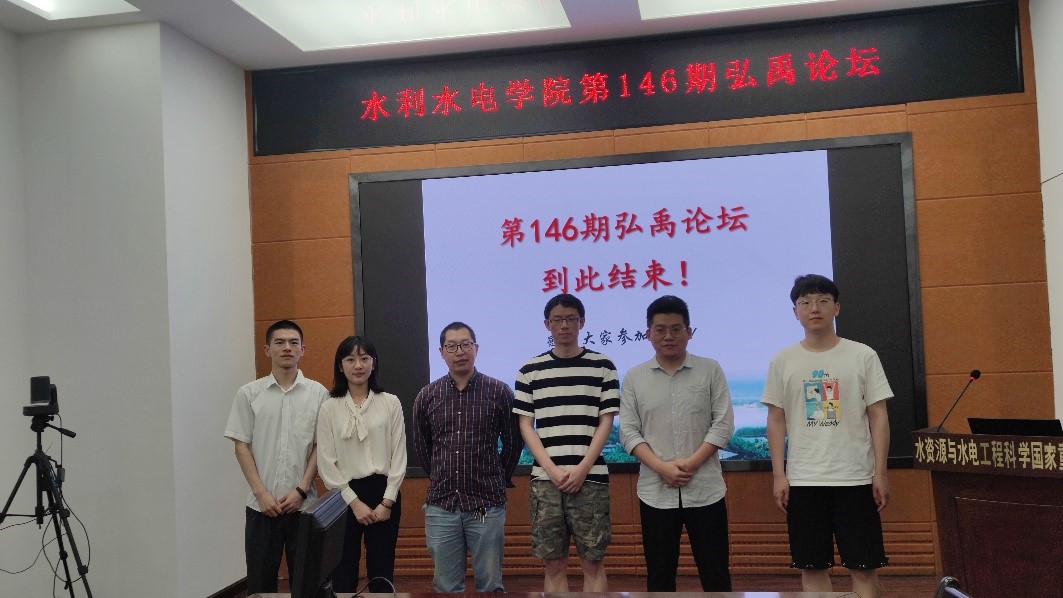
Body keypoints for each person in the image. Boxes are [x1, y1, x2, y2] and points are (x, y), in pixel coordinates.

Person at [762, 274, 892, 598]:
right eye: (805, 302)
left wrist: (880, 472)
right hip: (804, 480)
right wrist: (779, 475)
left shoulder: (862, 355)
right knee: (812, 568)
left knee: (864, 568)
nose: (814, 308)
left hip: (855, 478)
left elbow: (878, 416)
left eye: (822, 300)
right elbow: (776, 419)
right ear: (795, 312)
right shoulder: (782, 361)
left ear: (837, 307)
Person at [619, 295, 735, 592]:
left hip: (705, 489)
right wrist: (662, 468)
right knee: (659, 576)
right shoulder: (634, 377)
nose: (668, 336)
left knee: (716, 574)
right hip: (655, 492)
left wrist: (689, 465)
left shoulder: (711, 370)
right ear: (648, 334)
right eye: (660, 329)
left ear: (689, 331)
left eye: (676, 328)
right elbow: (628, 432)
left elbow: (723, 425)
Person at [513, 293, 619, 592]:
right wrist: (552, 470)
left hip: (591, 479)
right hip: (546, 482)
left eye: (571, 319)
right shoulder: (529, 370)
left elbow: (606, 422)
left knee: (593, 563)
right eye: (557, 320)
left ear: (581, 322)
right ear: (547, 324)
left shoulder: (603, 366)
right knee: (554, 564)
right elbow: (526, 425)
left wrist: (582, 469)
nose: (564, 325)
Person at [411, 322, 523, 592]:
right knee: (446, 585)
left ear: (476, 348)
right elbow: (422, 448)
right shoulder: (427, 396)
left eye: (465, 344)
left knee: (490, 583)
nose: (459, 351)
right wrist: (440, 475)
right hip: (442, 506)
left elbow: (513, 444)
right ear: (441, 352)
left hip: (484, 505)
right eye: (451, 346)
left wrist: (495, 477)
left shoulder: (499, 392)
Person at [223, 320, 329, 593]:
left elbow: (321, 446)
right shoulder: (249, 394)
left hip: (304, 507)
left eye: (294, 343)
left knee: (307, 586)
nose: (287, 348)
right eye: (279, 342)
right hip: (261, 507)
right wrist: (261, 494)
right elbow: (241, 446)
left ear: (303, 349)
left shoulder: (318, 394)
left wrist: (301, 490)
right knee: (260, 585)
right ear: (267, 349)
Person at [316, 335, 407, 593]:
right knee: (344, 570)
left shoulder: (390, 402)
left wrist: (387, 502)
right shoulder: (329, 407)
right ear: (340, 366)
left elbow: (399, 455)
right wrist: (354, 503)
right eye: (350, 359)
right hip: (344, 496)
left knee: (382, 569)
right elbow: (326, 462)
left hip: (384, 493)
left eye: (364, 358)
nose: (358, 365)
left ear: (373, 363)